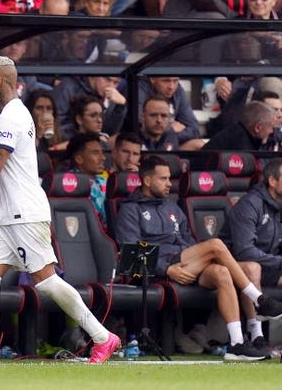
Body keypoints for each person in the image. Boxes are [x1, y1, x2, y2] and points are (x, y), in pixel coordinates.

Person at [0, 56, 120, 365]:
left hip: (25, 212)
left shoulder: (12, 117)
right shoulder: (12, 115)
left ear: (1, 81)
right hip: (9, 213)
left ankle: (102, 337)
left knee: (46, 281)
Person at [116, 154, 282, 361]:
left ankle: (237, 344)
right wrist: (166, 269)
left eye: (169, 178)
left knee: (221, 271)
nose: (169, 183)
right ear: (147, 180)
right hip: (157, 271)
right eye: (163, 179)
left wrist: (197, 261)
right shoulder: (130, 210)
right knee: (216, 245)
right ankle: (258, 298)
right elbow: (131, 252)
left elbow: (187, 241)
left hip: (185, 265)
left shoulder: (171, 208)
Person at [221, 158, 282, 352]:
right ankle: (256, 334)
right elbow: (245, 251)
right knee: (252, 267)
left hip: (270, 265)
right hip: (234, 267)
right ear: (273, 181)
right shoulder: (249, 204)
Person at [137, 77, 201, 149]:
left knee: (199, 144)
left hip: (170, 142)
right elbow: (139, 123)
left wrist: (168, 136)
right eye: (166, 81)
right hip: (142, 143)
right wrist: (170, 129)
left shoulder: (178, 90)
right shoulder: (139, 87)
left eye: (175, 81)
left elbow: (194, 130)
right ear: (152, 79)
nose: (171, 87)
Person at [65, 132, 108, 229]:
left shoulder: (107, 182)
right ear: (79, 159)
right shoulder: (67, 184)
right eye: (95, 153)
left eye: (102, 152)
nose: (103, 158)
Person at [202, 100, 277, 151]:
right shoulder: (240, 146)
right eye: (271, 127)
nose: (272, 131)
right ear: (258, 127)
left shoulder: (237, 131)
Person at [24, 89, 66, 153]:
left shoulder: (60, 133)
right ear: (30, 110)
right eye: (39, 108)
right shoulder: (23, 132)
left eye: (49, 108)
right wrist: (38, 135)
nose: (45, 112)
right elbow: (25, 154)